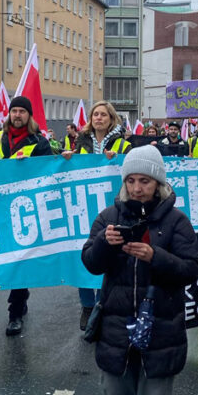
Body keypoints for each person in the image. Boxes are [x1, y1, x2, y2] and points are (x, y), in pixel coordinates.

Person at [82, 145, 198, 395]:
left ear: (158, 183)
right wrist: (104, 243)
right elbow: (91, 263)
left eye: (144, 181)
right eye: (131, 180)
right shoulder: (108, 217)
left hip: (161, 332)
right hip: (116, 330)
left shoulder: (177, 221)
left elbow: (192, 269)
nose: (137, 188)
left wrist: (155, 256)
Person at [62, 100, 131, 329]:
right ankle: (87, 305)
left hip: (112, 208)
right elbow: (68, 168)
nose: (98, 118)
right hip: (84, 207)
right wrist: (66, 159)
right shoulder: (80, 143)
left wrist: (118, 160)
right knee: (83, 252)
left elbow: (133, 169)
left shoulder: (122, 145)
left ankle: (102, 304)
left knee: (108, 254)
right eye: (95, 115)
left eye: (103, 115)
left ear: (111, 119)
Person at [0, 96, 52, 336]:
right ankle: (21, 297)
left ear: (29, 116)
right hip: (0, 207)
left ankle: (15, 312)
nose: (17, 115)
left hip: (26, 208)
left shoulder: (39, 142)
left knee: (20, 258)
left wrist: (29, 167)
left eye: (22, 111)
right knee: (6, 258)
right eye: (14, 110)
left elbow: (47, 172)